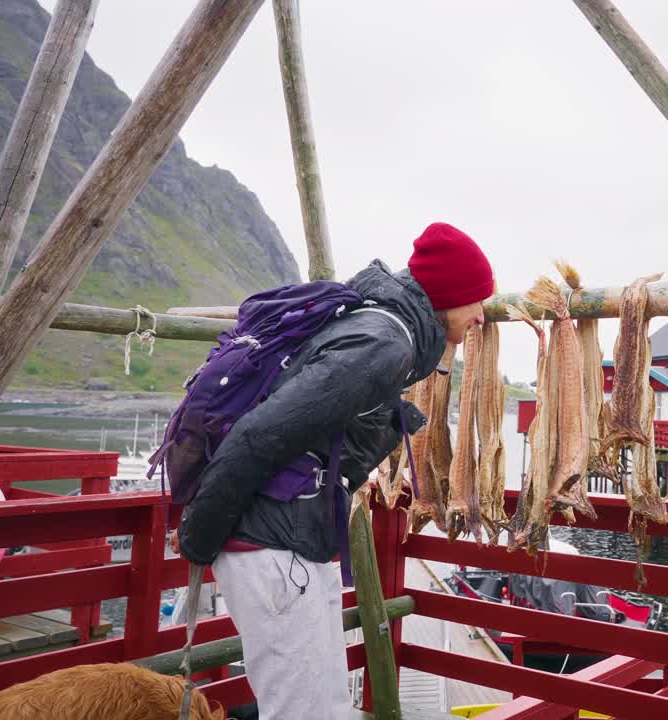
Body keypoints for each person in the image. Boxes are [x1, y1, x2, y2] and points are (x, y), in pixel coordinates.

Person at [172, 222, 493, 719]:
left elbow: (314, 441)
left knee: (324, 708)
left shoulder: (383, 331)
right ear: (447, 296)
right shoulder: (383, 344)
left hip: (294, 542)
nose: (480, 315)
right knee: (304, 713)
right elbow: (260, 436)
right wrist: (198, 536)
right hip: (276, 549)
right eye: (476, 299)